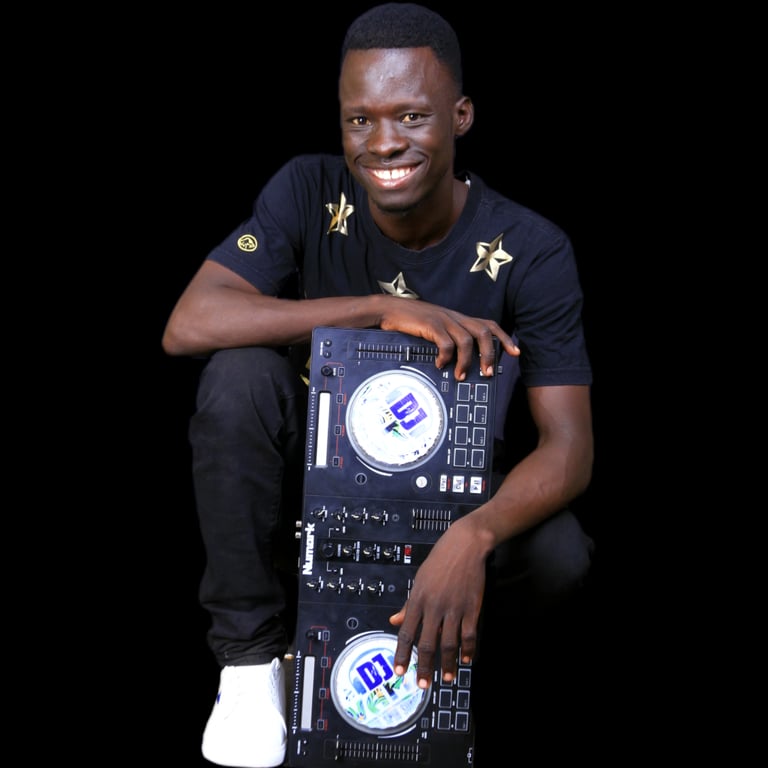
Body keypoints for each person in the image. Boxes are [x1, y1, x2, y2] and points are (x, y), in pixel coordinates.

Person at [162, 3, 594, 766]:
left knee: (562, 552)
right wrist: (377, 309)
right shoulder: (308, 189)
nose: (384, 142)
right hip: (315, 496)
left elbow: (570, 449)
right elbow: (189, 323)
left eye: (412, 116)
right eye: (360, 120)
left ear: (461, 117)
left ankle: (446, 652)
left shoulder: (531, 247)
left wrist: (473, 536)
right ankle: (250, 666)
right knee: (238, 374)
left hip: (442, 508)